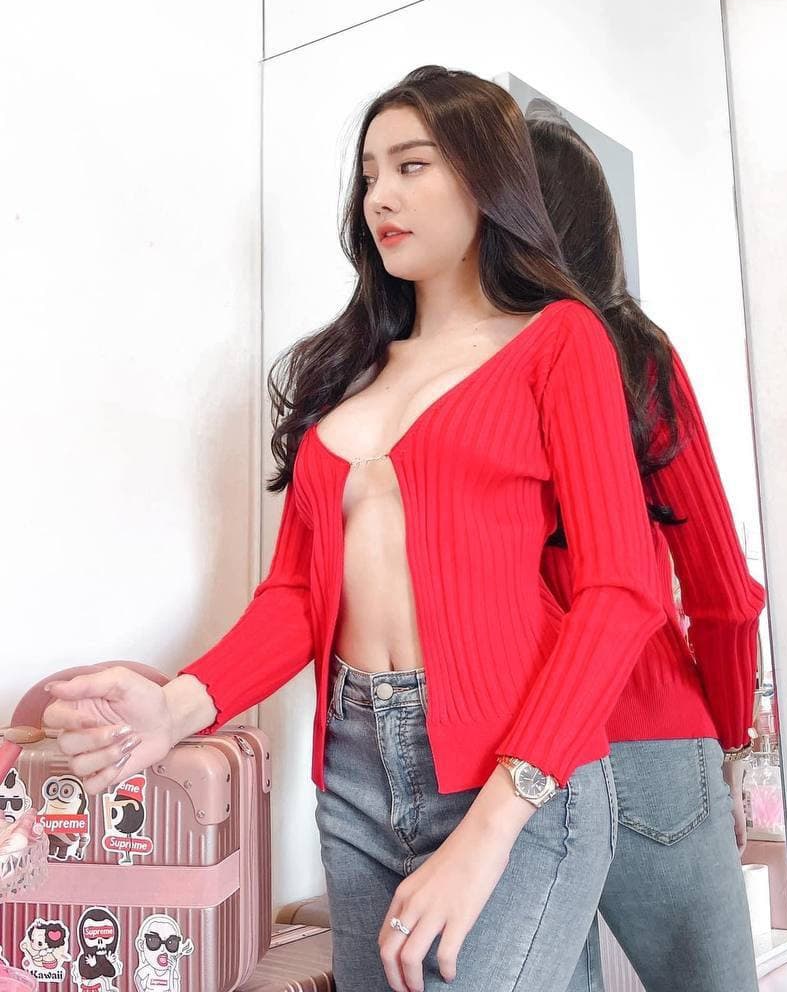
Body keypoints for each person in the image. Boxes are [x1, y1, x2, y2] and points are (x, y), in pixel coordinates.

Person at [41, 65, 673, 992]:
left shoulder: (557, 340)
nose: (380, 196)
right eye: (370, 174)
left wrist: (493, 825)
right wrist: (174, 708)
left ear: (486, 179)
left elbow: (620, 590)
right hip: (356, 774)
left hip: (519, 775)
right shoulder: (345, 373)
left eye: (412, 166)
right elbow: (298, 595)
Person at [525, 97, 767, 992]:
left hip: (516, 754)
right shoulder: (638, 360)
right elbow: (722, 591)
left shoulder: (469, 370)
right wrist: (730, 738)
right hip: (654, 735)